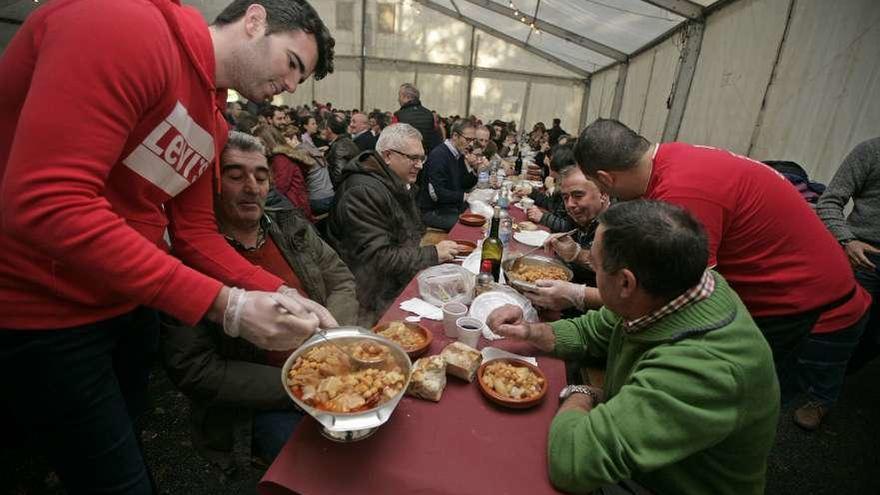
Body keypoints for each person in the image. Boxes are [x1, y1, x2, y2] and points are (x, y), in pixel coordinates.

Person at [0, 0, 336, 493]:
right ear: (255, 20)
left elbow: (195, 232)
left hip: (126, 302)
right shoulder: (127, 27)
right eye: (292, 64)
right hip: (45, 309)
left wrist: (284, 292)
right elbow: (48, 201)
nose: (289, 86)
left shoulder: (214, 119)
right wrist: (228, 306)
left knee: (120, 450)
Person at [487, 200, 780, 495]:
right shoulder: (669, 289)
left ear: (626, 283)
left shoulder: (705, 368)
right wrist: (529, 330)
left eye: (596, 265)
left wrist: (580, 393)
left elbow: (574, 462)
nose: (592, 270)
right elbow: (589, 332)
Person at [573, 119, 871, 401]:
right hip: (796, 292)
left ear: (605, 178)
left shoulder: (682, 191)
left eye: (600, 188)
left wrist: (580, 295)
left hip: (807, 308)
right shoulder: (671, 158)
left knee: (745, 403)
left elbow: (684, 301)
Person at [162, 131, 356, 471]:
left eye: (261, 176)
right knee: (329, 469)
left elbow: (340, 279)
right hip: (262, 403)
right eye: (236, 176)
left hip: (330, 366)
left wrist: (328, 343)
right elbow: (195, 369)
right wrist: (299, 384)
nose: (252, 187)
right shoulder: (187, 262)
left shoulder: (290, 224)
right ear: (212, 184)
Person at [328, 124, 459, 325]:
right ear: (388, 156)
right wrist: (432, 254)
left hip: (389, 281)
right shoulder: (362, 192)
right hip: (366, 296)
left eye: (421, 158)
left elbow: (412, 233)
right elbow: (377, 259)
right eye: (413, 158)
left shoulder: (394, 182)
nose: (420, 165)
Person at [524, 165, 610, 312]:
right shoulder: (583, 216)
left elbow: (623, 298)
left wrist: (576, 255)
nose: (570, 204)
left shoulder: (619, 227)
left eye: (578, 195)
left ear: (603, 194)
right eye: (565, 198)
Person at [416, 119, 485, 231]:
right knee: (470, 226)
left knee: (482, 216)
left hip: (450, 207)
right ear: (455, 136)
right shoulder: (439, 156)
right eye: (468, 139)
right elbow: (437, 194)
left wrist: (474, 167)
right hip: (434, 212)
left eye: (473, 140)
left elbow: (465, 183)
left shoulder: (458, 153)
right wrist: (464, 196)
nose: (471, 144)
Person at [252, 124, 313, 221]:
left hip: (294, 210)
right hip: (290, 207)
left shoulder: (280, 159)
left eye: (260, 144)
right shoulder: (274, 158)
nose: (257, 148)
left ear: (268, 142)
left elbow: (279, 188)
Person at [524, 144, 577, 233]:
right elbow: (552, 205)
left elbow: (569, 227)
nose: (547, 163)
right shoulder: (560, 181)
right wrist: (532, 192)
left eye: (550, 165)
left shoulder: (571, 189)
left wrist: (542, 217)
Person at [393, 83, 442, 154]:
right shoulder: (429, 114)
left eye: (399, 96)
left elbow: (393, 141)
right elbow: (435, 138)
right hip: (426, 157)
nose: (398, 99)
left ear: (406, 97)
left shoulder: (398, 115)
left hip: (407, 158)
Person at [322, 112, 359, 186]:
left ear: (329, 130)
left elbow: (338, 177)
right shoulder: (345, 140)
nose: (323, 131)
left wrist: (324, 164)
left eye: (325, 128)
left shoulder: (339, 146)